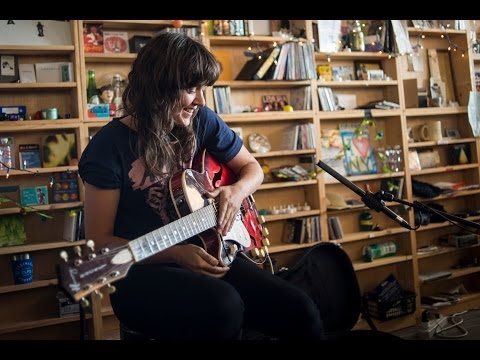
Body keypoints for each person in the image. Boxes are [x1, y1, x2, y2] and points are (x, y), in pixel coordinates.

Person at [78, 31, 325, 340]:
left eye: (204, 88)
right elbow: (100, 246)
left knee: (301, 309)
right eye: (191, 88)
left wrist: (235, 192)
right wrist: (176, 254)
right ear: (158, 87)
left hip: (208, 251)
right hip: (140, 272)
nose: (201, 100)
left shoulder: (201, 120)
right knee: (225, 307)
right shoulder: (107, 148)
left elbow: (253, 169)